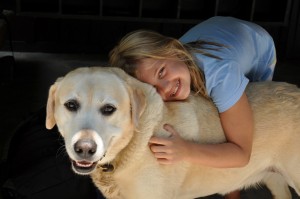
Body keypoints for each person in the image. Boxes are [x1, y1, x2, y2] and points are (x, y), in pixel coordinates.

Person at [108, 16, 276, 199]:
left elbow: (242, 154)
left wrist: (186, 151)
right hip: (217, 28)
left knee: (247, 121)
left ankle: (232, 193)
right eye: (154, 89)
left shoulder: (221, 76)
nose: (166, 87)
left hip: (259, 45)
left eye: (161, 72)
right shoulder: (173, 62)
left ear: (174, 50)